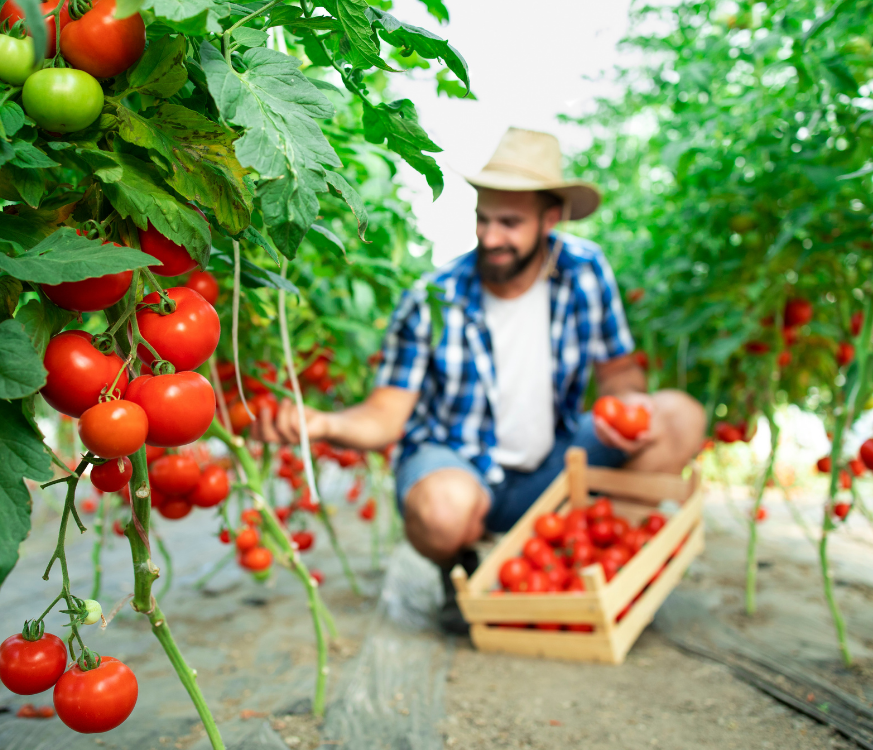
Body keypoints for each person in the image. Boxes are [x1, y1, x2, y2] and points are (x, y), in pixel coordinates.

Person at [253, 128, 706, 634]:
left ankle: (596, 556)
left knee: (680, 417)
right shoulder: (433, 298)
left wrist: (625, 411)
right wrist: (322, 423)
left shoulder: (584, 271)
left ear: (549, 219)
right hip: (461, 470)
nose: (491, 238)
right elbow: (386, 415)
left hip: (554, 468)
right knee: (443, 509)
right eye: (483, 219)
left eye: (509, 223)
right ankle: (462, 568)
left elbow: (619, 371)